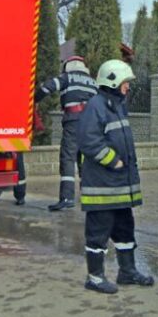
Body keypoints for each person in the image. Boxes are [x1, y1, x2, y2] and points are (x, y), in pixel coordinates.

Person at [78, 59, 154, 294]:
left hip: (119, 185)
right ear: (112, 81)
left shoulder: (116, 105)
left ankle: (127, 271)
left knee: (125, 229)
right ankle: (95, 277)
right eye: (125, 82)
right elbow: (89, 141)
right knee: (98, 232)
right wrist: (114, 160)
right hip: (102, 187)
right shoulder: (96, 106)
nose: (127, 87)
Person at [36, 56, 99, 211]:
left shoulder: (67, 77)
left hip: (74, 122)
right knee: (86, 158)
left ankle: (67, 197)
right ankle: (89, 194)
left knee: (68, 157)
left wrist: (34, 99)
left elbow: (47, 87)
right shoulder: (93, 82)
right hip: (91, 124)